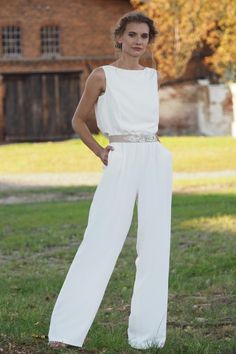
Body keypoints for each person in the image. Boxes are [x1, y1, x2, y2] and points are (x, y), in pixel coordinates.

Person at [48, 11, 173, 350]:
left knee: (155, 245)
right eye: (132, 35)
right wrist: (100, 152)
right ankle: (66, 331)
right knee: (101, 239)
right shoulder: (102, 76)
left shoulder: (152, 77)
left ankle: (148, 335)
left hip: (155, 159)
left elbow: (150, 124)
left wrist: (159, 153)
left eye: (144, 36)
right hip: (120, 157)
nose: (138, 41)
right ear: (120, 37)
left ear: (148, 41)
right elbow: (79, 120)